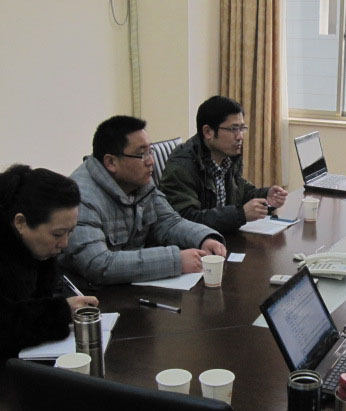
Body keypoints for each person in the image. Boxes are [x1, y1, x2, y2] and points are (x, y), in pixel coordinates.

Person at [59, 116, 227, 285]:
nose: (151, 161)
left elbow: (168, 222)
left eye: (150, 151)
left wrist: (204, 238)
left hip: (130, 287)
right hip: (91, 293)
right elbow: (98, 264)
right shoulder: (81, 198)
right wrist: (176, 260)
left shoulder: (139, 182)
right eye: (141, 154)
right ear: (111, 162)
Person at [0, 165, 98, 358]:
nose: (65, 243)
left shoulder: (36, 251)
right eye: (58, 234)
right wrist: (61, 312)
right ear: (20, 223)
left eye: (70, 232)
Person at [159, 95, 288, 233]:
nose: (240, 136)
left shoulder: (227, 157)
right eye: (233, 129)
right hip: (197, 243)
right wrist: (240, 214)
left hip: (221, 237)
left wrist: (265, 195)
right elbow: (187, 220)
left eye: (242, 128)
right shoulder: (182, 167)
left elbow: (240, 191)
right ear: (208, 132)